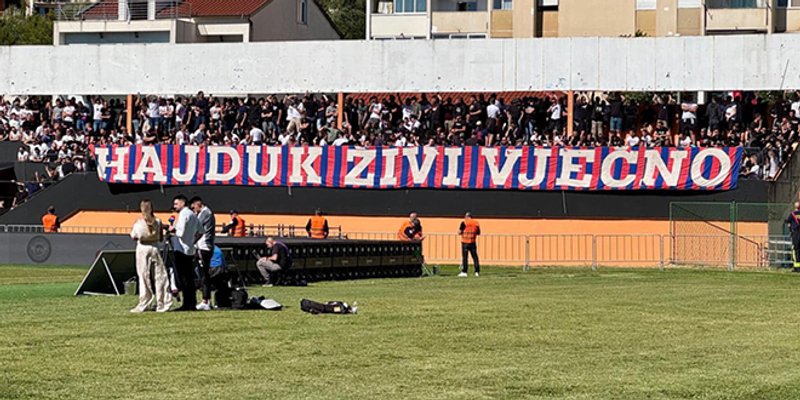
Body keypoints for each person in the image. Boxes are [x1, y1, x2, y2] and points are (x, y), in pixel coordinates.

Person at [129, 200, 171, 313]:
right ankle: (162, 303)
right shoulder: (158, 221)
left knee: (143, 276)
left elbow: (134, 236)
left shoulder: (138, 223)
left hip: (143, 249)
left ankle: (145, 301)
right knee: (160, 276)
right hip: (155, 248)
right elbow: (161, 237)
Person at [169, 194, 202, 311]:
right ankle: (191, 302)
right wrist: (193, 241)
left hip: (181, 249)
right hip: (190, 250)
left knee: (182, 278)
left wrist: (172, 229)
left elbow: (180, 233)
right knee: (189, 278)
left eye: (176, 204)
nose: (174, 207)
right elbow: (201, 231)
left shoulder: (183, 214)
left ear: (182, 203)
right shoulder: (193, 215)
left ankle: (186, 303)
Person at [190, 196, 215, 311]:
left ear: (198, 204)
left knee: (204, 274)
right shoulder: (205, 213)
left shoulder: (205, 213)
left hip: (204, 247)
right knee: (202, 274)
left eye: (193, 207)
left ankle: (206, 300)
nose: (193, 210)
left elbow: (195, 226)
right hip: (203, 247)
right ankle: (206, 299)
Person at [458, 212, 481, 277]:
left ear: (466, 217)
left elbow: (460, 232)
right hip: (472, 242)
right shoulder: (476, 223)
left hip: (465, 242)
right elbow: (478, 232)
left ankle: (464, 272)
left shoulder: (464, 222)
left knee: (465, 258)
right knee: (475, 257)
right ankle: (477, 271)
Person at [787, 202, 800, 272]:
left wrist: (790, 231)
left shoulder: (792, 214)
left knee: (795, 249)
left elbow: (788, 224)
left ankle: (796, 267)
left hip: (795, 233)